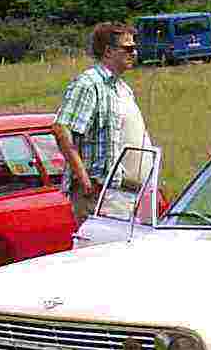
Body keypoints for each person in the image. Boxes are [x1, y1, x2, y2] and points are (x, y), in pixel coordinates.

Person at [53, 22, 144, 230]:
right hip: (96, 191)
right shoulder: (88, 84)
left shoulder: (120, 87)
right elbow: (61, 129)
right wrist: (84, 179)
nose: (134, 53)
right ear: (109, 51)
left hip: (119, 191)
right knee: (98, 246)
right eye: (128, 48)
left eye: (134, 48)